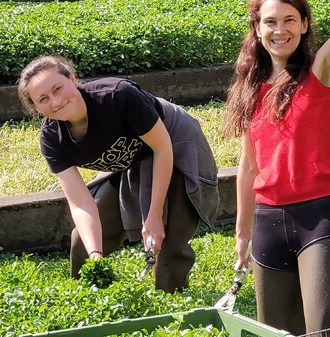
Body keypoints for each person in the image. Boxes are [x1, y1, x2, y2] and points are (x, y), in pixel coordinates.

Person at [223, 0, 330, 336]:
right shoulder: (250, 88)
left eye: (289, 20)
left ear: (304, 26)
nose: (280, 30)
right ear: (257, 28)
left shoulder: (323, 70)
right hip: (269, 221)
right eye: (270, 21)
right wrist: (243, 233)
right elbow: (249, 167)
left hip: (322, 216)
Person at [17, 56, 219, 293]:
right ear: (36, 108)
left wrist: (153, 215)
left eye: (58, 88)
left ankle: (172, 308)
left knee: (168, 244)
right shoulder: (53, 139)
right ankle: (90, 301)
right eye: (43, 99)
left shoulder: (118, 96)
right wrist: (95, 254)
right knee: (82, 242)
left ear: (73, 79)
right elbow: (81, 202)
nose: (56, 101)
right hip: (128, 159)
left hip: (172, 143)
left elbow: (162, 148)